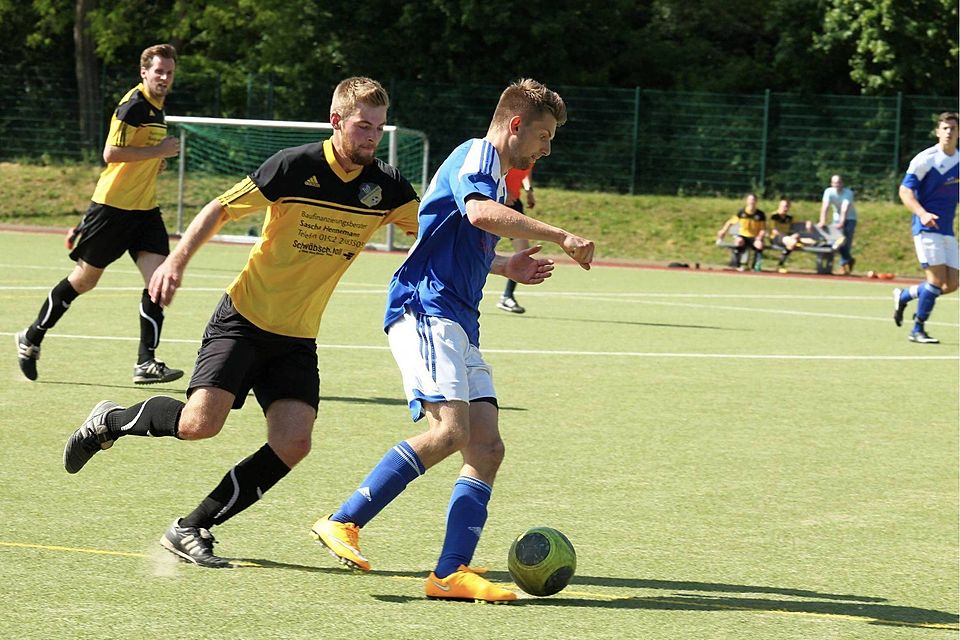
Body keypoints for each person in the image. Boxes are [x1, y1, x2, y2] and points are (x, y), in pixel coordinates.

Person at [61, 77, 421, 567]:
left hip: (297, 338)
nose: (371, 138)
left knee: (294, 443)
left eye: (378, 129)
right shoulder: (294, 167)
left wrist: (503, 265)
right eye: (362, 126)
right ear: (336, 122)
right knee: (198, 425)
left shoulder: (387, 188)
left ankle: (192, 527)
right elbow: (219, 208)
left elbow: (436, 238)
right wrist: (176, 261)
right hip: (244, 320)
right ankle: (112, 420)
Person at [310, 78, 594, 603]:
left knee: (486, 445)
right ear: (515, 125)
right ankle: (343, 520)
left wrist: (508, 264)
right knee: (451, 430)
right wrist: (561, 235)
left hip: (460, 319)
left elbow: (464, 240)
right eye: (544, 135)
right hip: (425, 307)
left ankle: (448, 573)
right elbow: (478, 213)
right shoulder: (477, 156)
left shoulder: (498, 178)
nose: (547, 148)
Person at [15, 44, 184, 384]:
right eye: (158, 71)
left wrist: (155, 161)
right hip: (112, 209)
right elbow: (111, 153)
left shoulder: (158, 107)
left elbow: (135, 154)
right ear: (144, 73)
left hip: (144, 210)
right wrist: (158, 150)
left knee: (159, 283)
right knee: (84, 281)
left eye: (169, 72)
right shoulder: (134, 105)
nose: (164, 77)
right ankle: (31, 337)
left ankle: (145, 362)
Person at [892, 112, 959, 344]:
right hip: (926, 228)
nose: (949, 132)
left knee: (952, 285)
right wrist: (922, 213)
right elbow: (905, 191)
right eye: (945, 128)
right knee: (936, 280)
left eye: (953, 128)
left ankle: (905, 295)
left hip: (947, 231)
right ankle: (917, 329)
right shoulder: (925, 159)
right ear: (937, 132)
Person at [497, 166, 537, 313]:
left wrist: (529, 191)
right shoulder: (514, 151)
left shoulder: (532, 154)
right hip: (495, 203)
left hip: (514, 204)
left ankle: (507, 296)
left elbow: (526, 173)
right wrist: (502, 192)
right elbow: (494, 173)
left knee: (524, 253)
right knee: (475, 248)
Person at [817, 174, 857, 274]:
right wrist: (822, 221)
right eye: (835, 183)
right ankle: (848, 260)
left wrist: (842, 222)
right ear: (831, 184)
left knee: (846, 242)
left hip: (850, 219)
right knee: (837, 241)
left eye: (839, 182)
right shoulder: (828, 192)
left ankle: (844, 265)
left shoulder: (848, 193)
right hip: (836, 219)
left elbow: (845, 209)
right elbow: (825, 207)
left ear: (842, 183)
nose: (837, 185)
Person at [717, 193, 766, 271]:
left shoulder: (760, 214)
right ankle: (736, 265)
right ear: (747, 201)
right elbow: (730, 222)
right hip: (743, 235)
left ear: (756, 201)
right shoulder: (741, 212)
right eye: (750, 200)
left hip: (754, 237)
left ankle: (755, 266)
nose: (751, 202)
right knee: (739, 241)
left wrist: (759, 238)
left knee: (759, 245)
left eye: (753, 200)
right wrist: (723, 230)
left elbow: (763, 229)